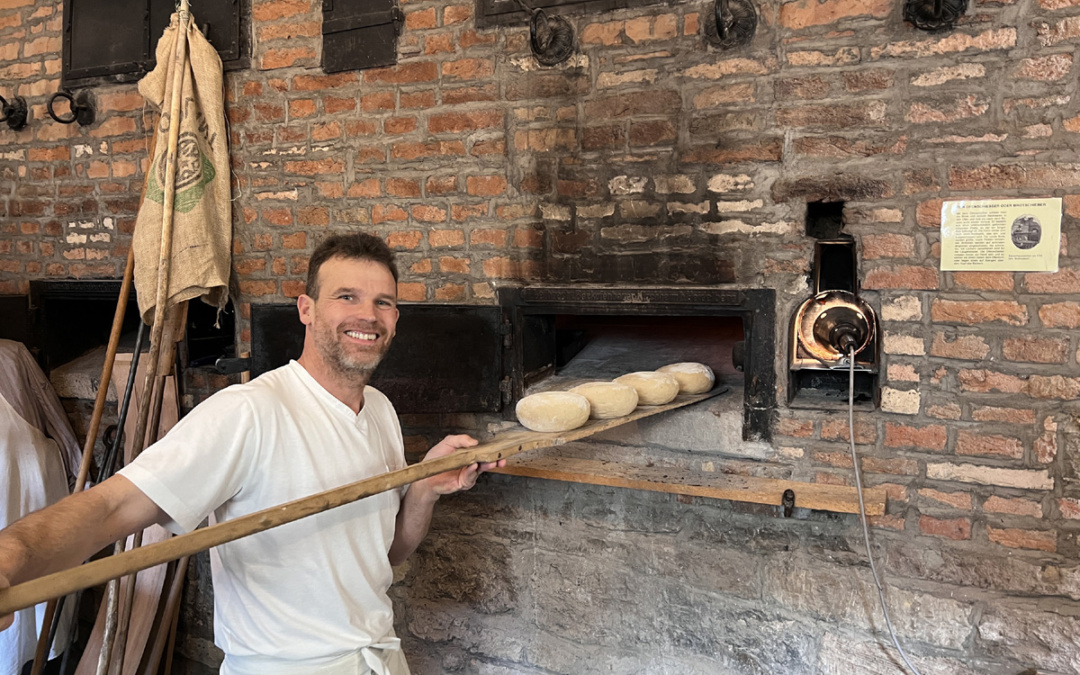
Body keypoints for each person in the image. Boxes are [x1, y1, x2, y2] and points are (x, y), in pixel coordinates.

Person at [0, 233, 504, 675]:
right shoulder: (248, 413)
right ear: (306, 308)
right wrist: (12, 556)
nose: (367, 316)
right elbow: (114, 505)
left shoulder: (379, 411)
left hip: (377, 657)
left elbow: (385, 556)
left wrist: (422, 488)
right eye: (346, 296)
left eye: (384, 302)